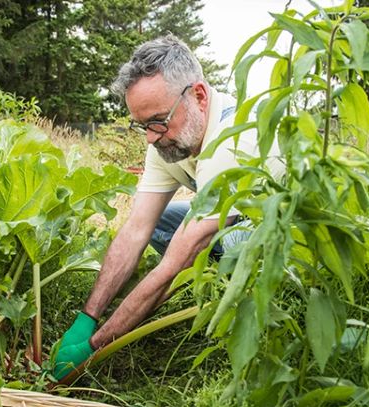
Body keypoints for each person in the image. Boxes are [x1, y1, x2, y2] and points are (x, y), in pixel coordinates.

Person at [51, 35, 283, 379]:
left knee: (229, 244)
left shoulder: (232, 140)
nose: (149, 137)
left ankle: (235, 289)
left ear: (199, 97)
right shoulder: (165, 137)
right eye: (142, 125)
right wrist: (87, 319)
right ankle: (212, 268)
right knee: (163, 224)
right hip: (229, 219)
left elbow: (176, 262)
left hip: (284, 234)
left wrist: (94, 348)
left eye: (158, 121)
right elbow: (136, 229)